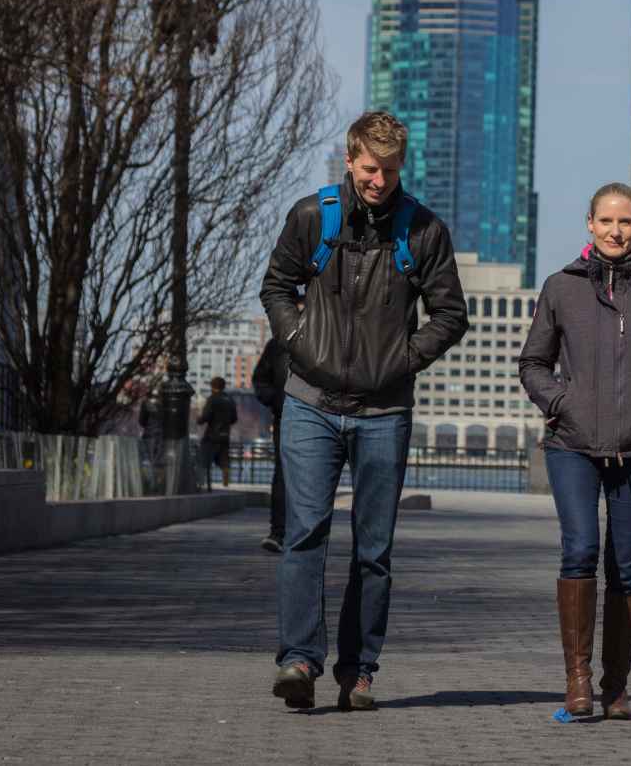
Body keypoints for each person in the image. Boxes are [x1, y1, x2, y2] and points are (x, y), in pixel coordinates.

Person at [259, 110, 468, 710]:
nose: (381, 180)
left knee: (374, 549)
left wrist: (402, 359)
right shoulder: (311, 216)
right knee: (304, 534)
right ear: (350, 160)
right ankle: (299, 661)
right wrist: (299, 342)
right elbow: (276, 286)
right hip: (310, 403)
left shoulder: (423, 230)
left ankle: (359, 670)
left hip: (384, 412)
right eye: (372, 169)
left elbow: (451, 315)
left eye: (392, 169)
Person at [519, 182, 631, 721]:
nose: (616, 231)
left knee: (626, 565)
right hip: (571, 444)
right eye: (606, 221)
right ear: (590, 224)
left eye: (626, 222)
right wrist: (561, 402)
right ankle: (577, 680)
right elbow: (533, 363)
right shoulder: (561, 287)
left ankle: (615, 685)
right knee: (578, 549)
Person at [252, 324, 293, 553]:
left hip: (320, 416)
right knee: (282, 474)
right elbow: (260, 379)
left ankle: (304, 534)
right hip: (285, 416)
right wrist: (276, 401)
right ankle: (278, 532)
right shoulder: (278, 345)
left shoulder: (326, 336)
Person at [197, 377, 238, 488]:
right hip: (225, 435)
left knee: (203, 459)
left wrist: (199, 419)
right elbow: (234, 418)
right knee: (224, 460)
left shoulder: (212, 399)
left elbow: (206, 416)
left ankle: (201, 483)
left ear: (212, 386)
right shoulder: (230, 400)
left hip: (212, 435)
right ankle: (225, 483)